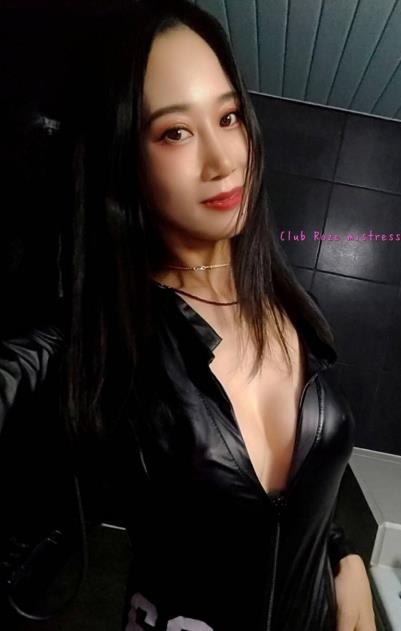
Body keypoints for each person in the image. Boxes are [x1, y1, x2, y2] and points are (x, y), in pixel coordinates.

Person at [0, 1, 376, 630]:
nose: (223, 160)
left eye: (228, 117)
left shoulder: (287, 307)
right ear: (123, 158)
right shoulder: (100, 342)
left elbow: (284, 494)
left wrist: (347, 557)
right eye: (175, 132)